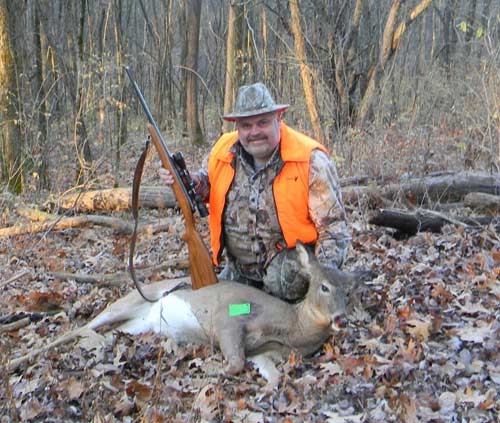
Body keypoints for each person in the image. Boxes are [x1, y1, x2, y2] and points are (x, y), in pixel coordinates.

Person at [160, 82, 350, 301]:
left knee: (281, 290)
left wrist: (322, 284)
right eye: (246, 125)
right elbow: (208, 186)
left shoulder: (311, 160)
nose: (254, 132)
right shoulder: (223, 152)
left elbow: (333, 229)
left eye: (263, 122)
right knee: (225, 311)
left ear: (279, 118)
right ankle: (250, 313)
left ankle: (287, 314)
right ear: (237, 127)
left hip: (291, 279)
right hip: (241, 272)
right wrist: (187, 181)